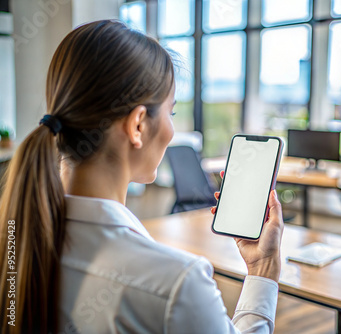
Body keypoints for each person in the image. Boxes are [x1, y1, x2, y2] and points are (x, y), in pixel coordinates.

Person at [0, 20, 284, 334]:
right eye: (171, 113)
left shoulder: (15, 243)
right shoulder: (177, 283)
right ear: (138, 125)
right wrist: (263, 268)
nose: (172, 128)